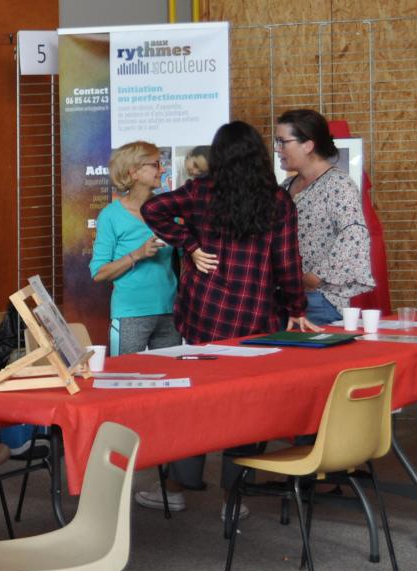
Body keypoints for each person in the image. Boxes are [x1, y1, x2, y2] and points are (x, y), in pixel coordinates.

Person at [141, 121, 318, 516]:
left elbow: (153, 209)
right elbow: (287, 264)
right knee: (247, 409)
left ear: (218, 156)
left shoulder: (201, 191)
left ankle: (175, 487)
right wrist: (297, 309)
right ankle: (232, 499)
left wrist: (190, 245)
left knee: (194, 402)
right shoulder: (277, 201)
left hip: (204, 315)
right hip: (255, 319)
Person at [276, 109, 372, 326]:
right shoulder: (285, 187)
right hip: (286, 299)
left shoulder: (337, 184)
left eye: (283, 142)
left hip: (319, 301)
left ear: (308, 145)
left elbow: (355, 235)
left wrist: (315, 277)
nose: (277, 148)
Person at [91, 141, 177, 356]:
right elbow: (99, 273)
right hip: (130, 314)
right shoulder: (111, 215)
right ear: (134, 172)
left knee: (173, 375)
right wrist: (137, 254)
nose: (163, 170)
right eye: (156, 164)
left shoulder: (169, 210)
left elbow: (188, 257)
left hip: (171, 313)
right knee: (124, 374)